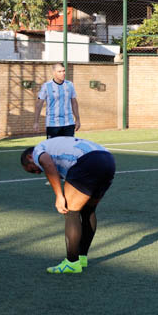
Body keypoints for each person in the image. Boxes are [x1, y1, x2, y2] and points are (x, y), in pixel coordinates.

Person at [21, 137, 115, 274]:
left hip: (87, 162)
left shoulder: (37, 151)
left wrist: (59, 196)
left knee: (71, 212)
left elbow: (47, 164)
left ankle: (71, 263)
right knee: (88, 210)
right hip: (108, 160)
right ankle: (82, 258)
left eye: (32, 170)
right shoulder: (55, 149)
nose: (37, 172)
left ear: (29, 157)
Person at [34, 63, 81, 138]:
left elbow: (74, 103)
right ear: (54, 73)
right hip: (52, 124)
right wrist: (36, 122)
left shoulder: (70, 85)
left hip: (68, 123)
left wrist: (77, 119)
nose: (63, 73)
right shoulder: (46, 86)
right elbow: (39, 104)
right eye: (59, 71)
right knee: (53, 149)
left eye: (64, 71)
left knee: (68, 148)